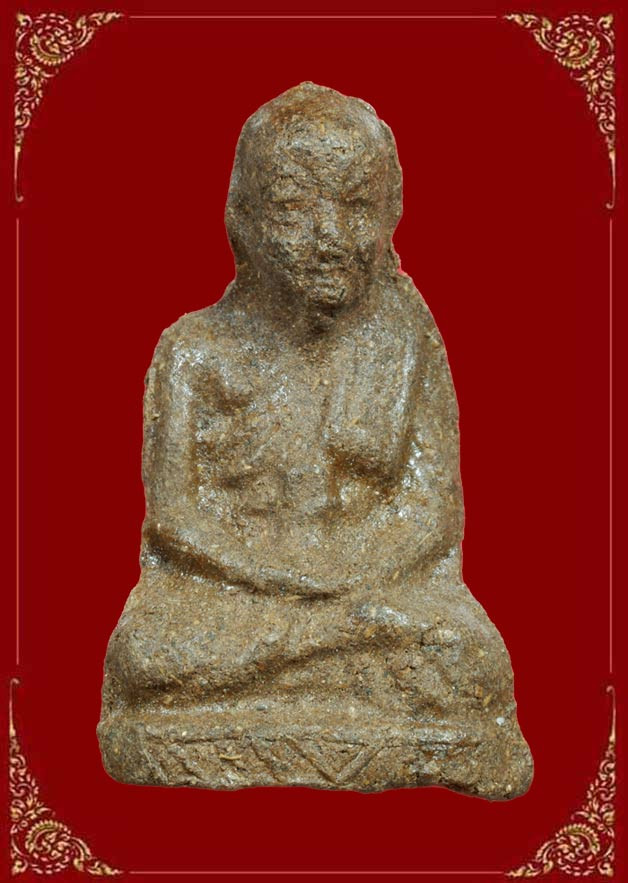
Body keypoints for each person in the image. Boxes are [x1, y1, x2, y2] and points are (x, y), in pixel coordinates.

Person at [98, 83, 532, 797]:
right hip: (241, 590)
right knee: (146, 655)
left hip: (372, 591)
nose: (328, 236)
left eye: (355, 205)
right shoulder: (195, 351)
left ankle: (295, 670)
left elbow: (431, 514)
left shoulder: (402, 340)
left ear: (390, 211)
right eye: (293, 207)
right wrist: (288, 581)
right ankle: (316, 662)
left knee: (468, 655)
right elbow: (173, 521)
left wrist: (353, 582)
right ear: (243, 217)